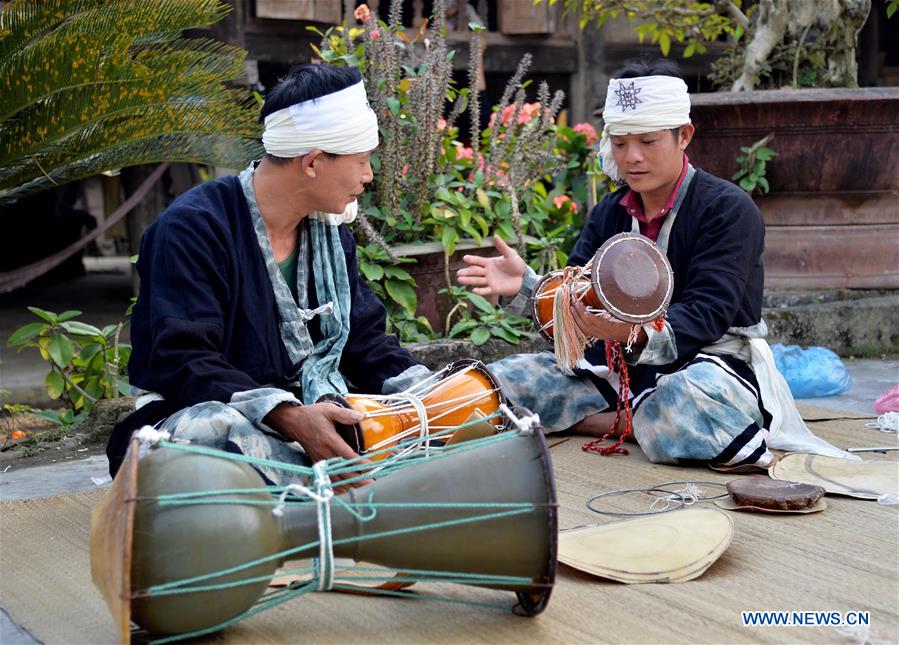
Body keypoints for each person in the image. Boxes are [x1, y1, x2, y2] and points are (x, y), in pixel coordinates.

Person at [459, 58, 852, 468]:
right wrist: (530, 288)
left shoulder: (729, 210)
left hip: (711, 363)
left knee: (686, 404)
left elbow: (708, 313)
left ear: (684, 135)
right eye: (621, 142)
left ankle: (606, 420)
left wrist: (632, 331)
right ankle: (633, 420)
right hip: (621, 370)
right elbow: (580, 297)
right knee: (500, 383)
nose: (632, 158)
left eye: (648, 142)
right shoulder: (608, 213)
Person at [107, 64, 431, 484]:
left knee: (484, 393)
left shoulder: (331, 237)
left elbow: (366, 344)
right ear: (313, 162)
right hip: (213, 417)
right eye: (363, 161)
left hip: (314, 414)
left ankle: (338, 470)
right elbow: (185, 362)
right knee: (210, 436)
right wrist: (289, 417)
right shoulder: (192, 229)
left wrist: (431, 394)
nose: (368, 176)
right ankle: (353, 474)